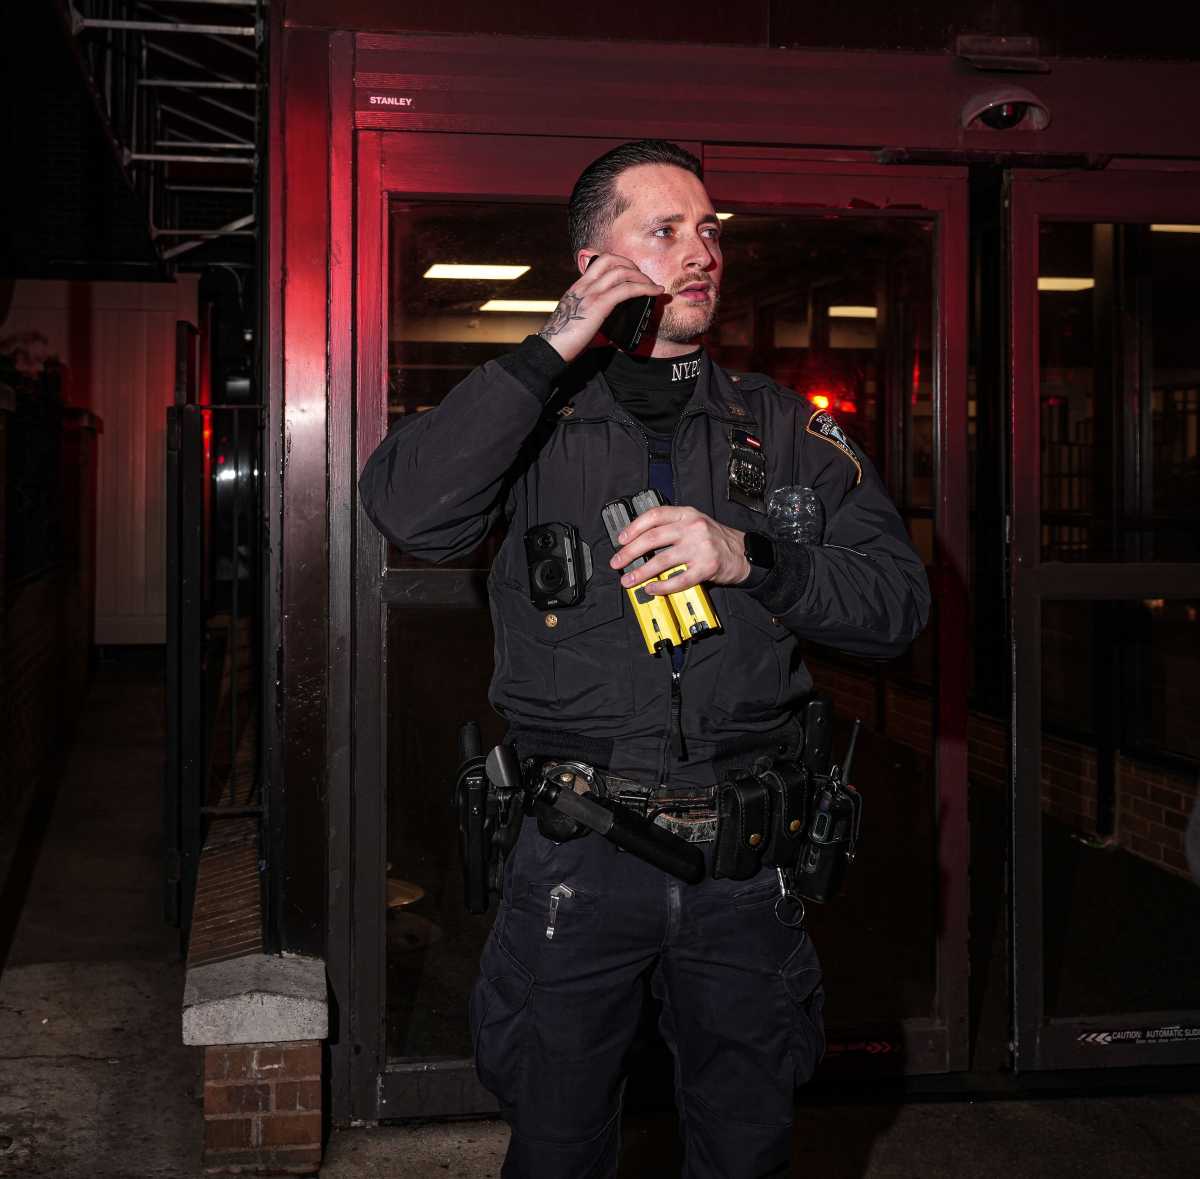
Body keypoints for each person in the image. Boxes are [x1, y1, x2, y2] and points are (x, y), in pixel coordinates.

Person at [359, 139, 930, 1179]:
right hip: (578, 858)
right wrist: (554, 344)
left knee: (746, 1146)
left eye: (708, 229)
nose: (699, 249)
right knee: (561, 1145)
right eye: (664, 230)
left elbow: (898, 607)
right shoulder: (533, 418)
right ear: (594, 260)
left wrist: (749, 555)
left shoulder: (781, 427)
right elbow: (409, 510)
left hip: (746, 863)